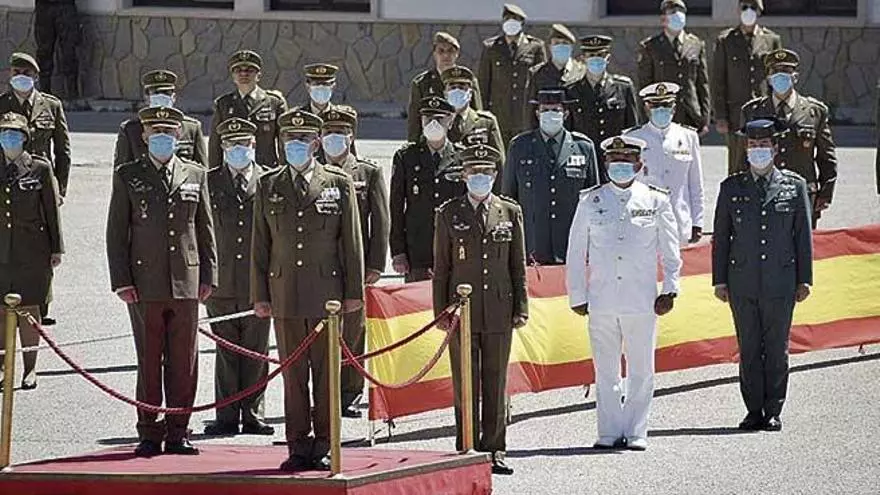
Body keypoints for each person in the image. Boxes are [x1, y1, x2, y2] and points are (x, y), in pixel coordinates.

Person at [251, 109, 364, 472]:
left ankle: (326, 443)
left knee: (327, 374)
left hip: (327, 294)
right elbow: (260, 245)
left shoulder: (337, 182)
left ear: (316, 143)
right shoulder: (269, 184)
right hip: (284, 291)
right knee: (293, 375)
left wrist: (353, 293)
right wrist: (260, 295)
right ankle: (298, 445)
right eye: (288, 139)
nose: (294, 145)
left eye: (301, 140)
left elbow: (351, 243)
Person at [106, 106, 217, 458]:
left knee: (184, 361)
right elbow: (116, 232)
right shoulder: (129, 175)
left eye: (169, 132)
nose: (162, 137)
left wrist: (209, 275)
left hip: (187, 280)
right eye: (156, 132)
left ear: (179, 135)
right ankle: (149, 431)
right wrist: (121, 280)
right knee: (149, 359)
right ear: (144, 136)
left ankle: (179, 431)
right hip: (145, 282)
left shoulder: (195, 173)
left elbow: (205, 228)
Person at [566, 135, 681, 451]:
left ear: (639, 165)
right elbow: (576, 251)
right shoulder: (590, 200)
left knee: (641, 369)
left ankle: (636, 430)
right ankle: (608, 431)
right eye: (614, 161)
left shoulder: (655, 200)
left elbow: (670, 249)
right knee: (605, 370)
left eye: (626, 161)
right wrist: (577, 295)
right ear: (605, 164)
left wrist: (671, 289)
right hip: (601, 300)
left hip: (642, 300)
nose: (620, 166)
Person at [712, 118, 812, 432]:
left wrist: (804, 279)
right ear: (746, 149)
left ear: (775, 148)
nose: (758, 150)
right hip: (742, 281)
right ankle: (753, 410)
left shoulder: (794, 186)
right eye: (753, 145)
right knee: (750, 347)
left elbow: (802, 236)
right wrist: (719, 280)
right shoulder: (731, 187)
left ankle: (774, 409)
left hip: (781, 280)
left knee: (777, 348)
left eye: (764, 145)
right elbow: (721, 237)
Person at [433, 143, 527, 475]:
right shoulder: (448, 213)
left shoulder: (510, 211)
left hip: (500, 308)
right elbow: (442, 268)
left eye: (486, 172)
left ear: (495, 175)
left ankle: (495, 447)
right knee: (466, 382)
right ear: (463, 175)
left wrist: (521, 307)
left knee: (496, 381)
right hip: (462, 311)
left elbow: (517, 266)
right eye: (474, 172)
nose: (480, 178)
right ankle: (467, 446)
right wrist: (441, 312)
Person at [202, 117, 273, 437]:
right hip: (222, 281)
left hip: (258, 281)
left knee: (257, 351)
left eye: (243, 144)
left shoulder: (268, 180)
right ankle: (227, 414)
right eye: (231, 144)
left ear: (253, 145)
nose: (237, 150)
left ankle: (254, 414)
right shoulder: (209, 181)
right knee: (227, 351)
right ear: (222, 147)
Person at [318, 107, 389, 418]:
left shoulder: (367, 172)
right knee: (319, 333)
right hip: (318, 265)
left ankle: (349, 393)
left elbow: (381, 221)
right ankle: (323, 393)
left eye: (340, 132)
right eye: (328, 132)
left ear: (351, 137)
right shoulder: (311, 170)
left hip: (355, 266)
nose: (334, 138)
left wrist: (375, 264)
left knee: (352, 332)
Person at [0, 52, 70, 326]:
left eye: (27, 74)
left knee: (43, 243)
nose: (21, 77)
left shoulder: (51, 105)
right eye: (17, 72)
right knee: (10, 240)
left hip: (40, 181)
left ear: (36, 77)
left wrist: (60, 188)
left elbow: (63, 151)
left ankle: (41, 302)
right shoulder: (2, 104)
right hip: (8, 180)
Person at [0, 111, 63, 391]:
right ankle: (3, 366)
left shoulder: (39, 168)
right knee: (1, 311)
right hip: (2, 250)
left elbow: (51, 211)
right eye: (4, 133)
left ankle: (30, 367)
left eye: (14, 134)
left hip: (32, 250)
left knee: (29, 310)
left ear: (24, 138)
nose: (8, 138)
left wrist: (56, 248)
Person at [741, 49, 836, 229]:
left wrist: (825, 193)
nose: (780, 76)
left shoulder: (814, 111)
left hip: (804, 193)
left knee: (803, 243)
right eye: (775, 72)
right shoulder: (752, 111)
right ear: (769, 79)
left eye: (786, 71)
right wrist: (741, 192)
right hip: (762, 191)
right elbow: (742, 157)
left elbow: (826, 156)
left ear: (795, 77)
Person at [502, 89, 599, 264]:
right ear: (537, 113)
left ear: (566, 114)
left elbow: (594, 199)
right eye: (545, 110)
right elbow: (509, 198)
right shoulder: (519, 146)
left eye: (555, 110)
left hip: (572, 242)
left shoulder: (583, 147)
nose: (550, 114)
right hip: (533, 244)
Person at [390, 96, 466, 283]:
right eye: (428, 119)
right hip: (417, 250)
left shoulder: (462, 158)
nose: (433, 124)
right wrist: (398, 251)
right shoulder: (406, 156)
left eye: (439, 119)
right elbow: (396, 207)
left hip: (454, 248)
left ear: (450, 122)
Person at [625, 82, 704, 245]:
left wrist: (698, 221)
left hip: (679, 219)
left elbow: (695, 183)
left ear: (674, 108)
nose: (661, 110)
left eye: (666, 106)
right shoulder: (633, 138)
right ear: (647, 109)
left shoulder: (688, 136)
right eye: (655, 106)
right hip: (644, 219)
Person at [712, 0, 782, 174]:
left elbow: (777, 78)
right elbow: (718, 80)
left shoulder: (771, 40)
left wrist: (779, 111)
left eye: (753, 7)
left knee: (765, 161)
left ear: (759, 11)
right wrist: (720, 116)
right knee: (737, 165)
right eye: (744, 7)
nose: (748, 11)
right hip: (736, 114)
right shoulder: (726, 40)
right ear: (738, 10)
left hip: (764, 112)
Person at [568, 35, 640, 180]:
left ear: (608, 58)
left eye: (600, 55)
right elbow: (568, 133)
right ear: (583, 58)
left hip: (615, 160)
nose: (596, 59)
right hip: (583, 160)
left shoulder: (623, 87)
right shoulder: (571, 91)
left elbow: (632, 129)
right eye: (591, 56)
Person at [637, 0, 710, 134]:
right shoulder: (651, 47)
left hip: (691, 115)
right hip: (662, 114)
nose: (678, 15)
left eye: (681, 12)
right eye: (672, 12)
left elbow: (702, 83)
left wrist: (705, 118)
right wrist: (646, 118)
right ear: (663, 19)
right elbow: (644, 85)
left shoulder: (696, 44)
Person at [477, 3, 546, 144]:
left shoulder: (535, 47)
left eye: (515, 19)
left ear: (522, 23)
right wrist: (482, 114)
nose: (510, 23)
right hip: (499, 116)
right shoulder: (491, 47)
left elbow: (541, 82)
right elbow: (483, 84)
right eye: (507, 19)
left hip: (525, 116)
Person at [209, 50, 288, 169]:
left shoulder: (274, 102)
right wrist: (214, 173)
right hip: (235, 171)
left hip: (266, 171)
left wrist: (285, 172)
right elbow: (215, 144)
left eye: (249, 70)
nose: (243, 74)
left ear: (258, 75)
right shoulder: (223, 104)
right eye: (238, 70)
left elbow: (284, 141)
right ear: (233, 76)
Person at [114, 70, 207, 168]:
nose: (161, 96)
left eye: (166, 93)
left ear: (174, 97)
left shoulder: (191, 128)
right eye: (156, 93)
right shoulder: (130, 129)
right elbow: (121, 171)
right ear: (146, 97)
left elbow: (202, 169)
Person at [408, 32, 482, 142]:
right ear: (434, 54)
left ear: (457, 54)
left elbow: (477, 115)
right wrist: (413, 146)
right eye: (441, 51)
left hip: (463, 140)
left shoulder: (468, 80)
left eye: (450, 51)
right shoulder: (422, 83)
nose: (446, 55)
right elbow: (414, 120)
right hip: (432, 142)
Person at [522, 24, 584, 132]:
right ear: (550, 46)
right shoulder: (537, 73)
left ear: (571, 47)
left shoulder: (581, 71)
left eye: (565, 43)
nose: (561, 46)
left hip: (574, 132)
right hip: (546, 132)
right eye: (556, 43)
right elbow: (530, 110)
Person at [442, 66, 505, 164]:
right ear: (445, 94)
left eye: (462, 87)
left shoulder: (486, 122)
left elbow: (499, 159)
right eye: (452, 87)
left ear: (470, 93)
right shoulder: (438, 121)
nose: (457, 91)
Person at [34, 0, 81, 103]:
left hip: (65, 5)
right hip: (44, 6)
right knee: (44, 53)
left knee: (69, 53)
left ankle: (72, 95)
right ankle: (44, 93)